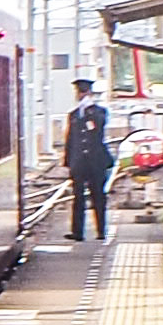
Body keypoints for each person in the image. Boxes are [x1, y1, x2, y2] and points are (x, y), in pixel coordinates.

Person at [61, 81, 115, 240]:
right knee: (78, 198)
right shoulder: (74, 114)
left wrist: (88, 110)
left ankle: (101, 231)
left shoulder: (99, 112)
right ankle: (77, 232)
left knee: (98, 196)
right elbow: (70, 140)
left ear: (89, 93)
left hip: (96, 161)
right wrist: (68, 161)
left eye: (83, 92)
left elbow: (98, 127)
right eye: (79, 92)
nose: (80, 95)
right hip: (79, 162)